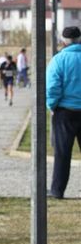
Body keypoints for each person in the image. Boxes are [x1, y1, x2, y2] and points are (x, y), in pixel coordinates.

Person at [46, 26, 81, 199]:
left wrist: (52, 106)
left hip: (64, 112)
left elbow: (52, 88)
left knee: (62, 153)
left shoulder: (58, 60)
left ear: (63, 41)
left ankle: (57, 190)